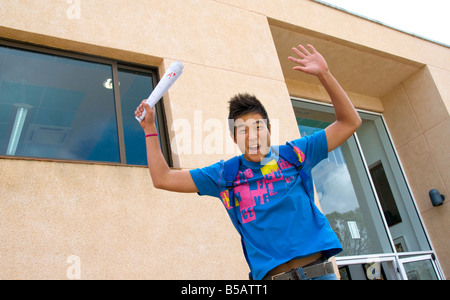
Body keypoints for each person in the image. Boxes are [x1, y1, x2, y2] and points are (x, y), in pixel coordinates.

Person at [135, 44, 362, 280]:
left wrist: (324, 75)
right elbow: (162, 178)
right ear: (234, 138)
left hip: (320, 275)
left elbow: (349, 123)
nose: (252, 136)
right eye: (243, 130)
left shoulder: (296, 154)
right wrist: (150, 128)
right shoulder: (225, 175)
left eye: (257, 126)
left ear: (269, 129)